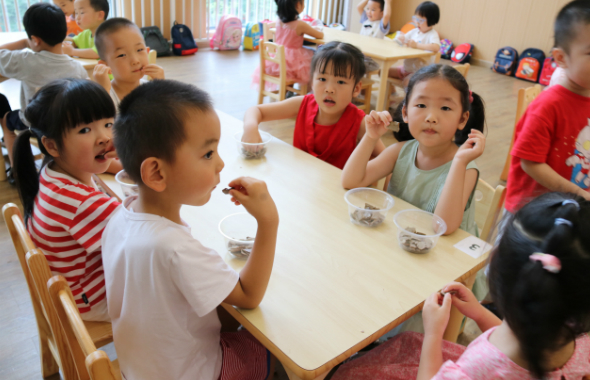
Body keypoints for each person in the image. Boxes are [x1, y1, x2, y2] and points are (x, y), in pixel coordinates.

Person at [102, 80, 279, 380]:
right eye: (208, 154)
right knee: (272, 347)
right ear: (156, 173)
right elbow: (249, 295)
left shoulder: (122, 214)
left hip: (141, 369)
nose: (221, 163)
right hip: (194, 372)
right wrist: (268, 221)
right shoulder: (174, 249)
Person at [332, 192, 590, 380]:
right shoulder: (575, 334)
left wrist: (434, 333)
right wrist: (478, 312)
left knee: (352, 372)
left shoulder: (478, 371)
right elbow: (527, 334)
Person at [12, 79, 119, 322]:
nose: (104, 137)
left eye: (108, 124)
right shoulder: (79, 202)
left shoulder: (54, 172)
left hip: (73, 290)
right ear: (52, 145)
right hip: (89, 300)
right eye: (85, 130)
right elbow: (145, 236)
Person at [342, 64, 485, 237]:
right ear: (405, 112)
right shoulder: (400, 151)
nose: (431, 117)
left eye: (445, 108)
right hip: (405, 240)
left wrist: (459, 162)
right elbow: (350, 182)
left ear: (462, 119)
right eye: (421, 105)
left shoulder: (465, 168)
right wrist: (370, 137)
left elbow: (444, 227)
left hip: (447, 255)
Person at [505, 0, 590, 216]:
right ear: (561, 58)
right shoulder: (548, 105)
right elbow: (530, 164)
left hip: (568, 209)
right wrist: (579, 194)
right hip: (531, 215)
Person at [245, 41, 386, 169]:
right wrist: (251, 128)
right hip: (300, 183)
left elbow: (386, 159)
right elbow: (256, 110)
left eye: (341, 82)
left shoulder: (359, 122)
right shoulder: (302, 104)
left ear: (356, 89)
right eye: (322, 79)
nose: (329, 89)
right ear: (312, 81)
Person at [0, 2, 88, 179]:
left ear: (36, 39)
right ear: (64, 33)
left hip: (33, 126)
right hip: (65, 124)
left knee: (6, 118)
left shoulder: (26, 61)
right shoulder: (77, 68)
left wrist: (25, 42)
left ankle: (18, 171)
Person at [93, 17, 165, 110]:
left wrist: (162, 87)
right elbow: (100, 120)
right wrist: (103, 92)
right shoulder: (106, 94)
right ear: (105, 65)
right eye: (122, 55)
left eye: (139, 50)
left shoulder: (151, 89)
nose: (135, 61)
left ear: (147, 51)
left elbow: (167, 116)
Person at [251, 0, 324, 91]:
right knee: (315, 57)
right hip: (292, 61)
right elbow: (320, 35)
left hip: (277, 58)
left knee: (309, 53)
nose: (304, 6)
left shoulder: (279, 21)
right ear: (297, 5)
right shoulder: (300, 24)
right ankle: (306, 93)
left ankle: (289, 91)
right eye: (303, 3)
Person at [388, 1, 441, 85]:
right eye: (416, 19)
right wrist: (401, 37)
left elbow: (436, 47)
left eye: (421, 20)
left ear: (431, 20)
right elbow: (404, 37)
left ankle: (409, 98)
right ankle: (393, 93)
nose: (417, 22)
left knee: (407, 82)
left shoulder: (432, 34)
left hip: (420, 73)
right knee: (385, 72)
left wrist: (417, 45)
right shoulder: (414, 31)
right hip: (406, 69)